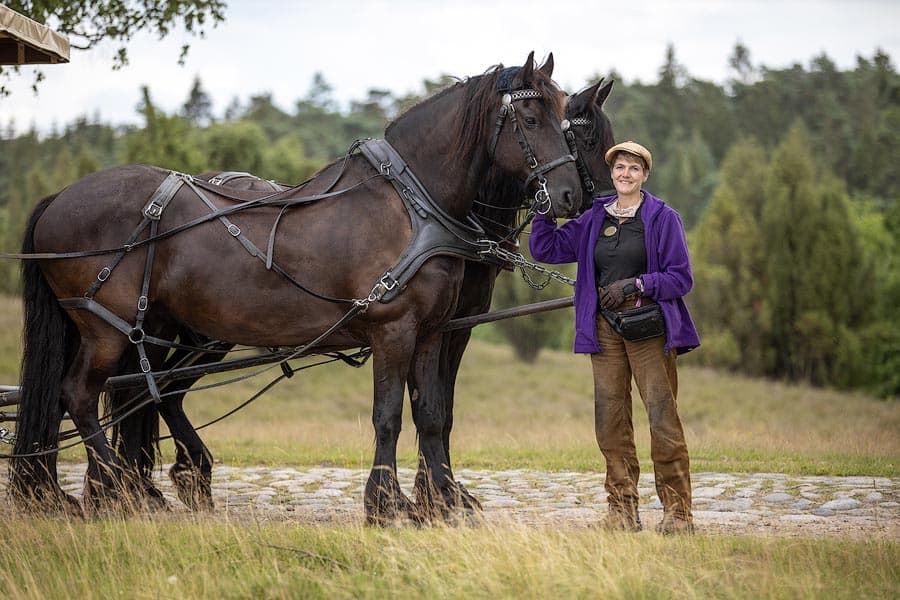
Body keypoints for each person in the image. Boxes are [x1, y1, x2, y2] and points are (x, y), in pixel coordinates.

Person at [529, 141, 700, 534]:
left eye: (633, 169)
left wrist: (637, 284)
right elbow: (546, 247)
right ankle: (622, 511)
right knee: (610, 422)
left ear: (645, 175)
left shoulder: (662, 218)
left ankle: (678, 513)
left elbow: (681, 277)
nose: (625, 174)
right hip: (604, 332)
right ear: (612, 172)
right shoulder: (593, 219)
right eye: (620, 167)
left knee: (662, 417)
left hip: (648, 330)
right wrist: (542, 205)